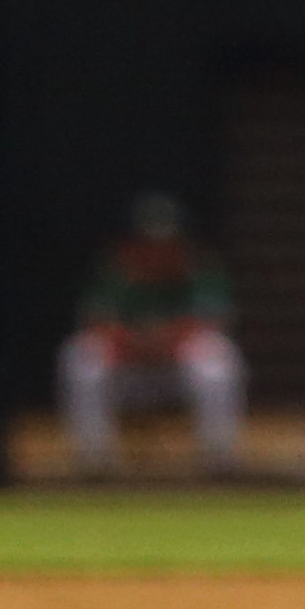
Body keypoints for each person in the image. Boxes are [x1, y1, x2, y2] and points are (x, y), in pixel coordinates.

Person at [56, 192, 246, 474]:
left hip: (176, 372)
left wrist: (160, 342)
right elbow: (96, 323)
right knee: (82, 356)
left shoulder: (201, 270)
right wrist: (137, 344)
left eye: (168, 244)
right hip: (128, 373)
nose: (159, 251)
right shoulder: (115, 272)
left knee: (216, 357)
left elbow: (210, 322)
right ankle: (94, 461)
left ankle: (219, 459)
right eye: (150, 243)